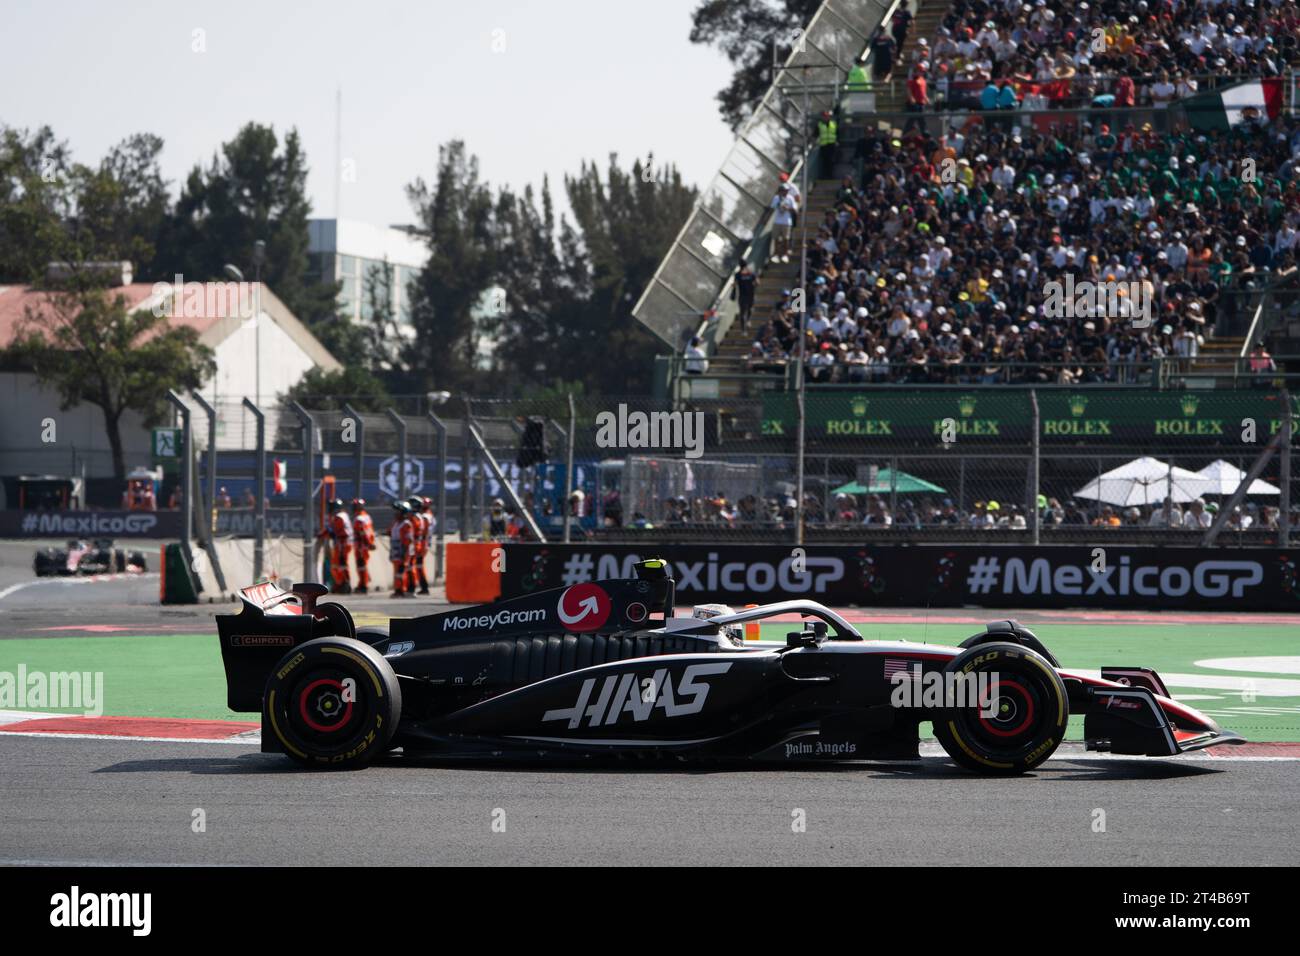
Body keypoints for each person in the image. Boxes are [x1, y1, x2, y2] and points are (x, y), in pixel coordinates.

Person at [320, 498, 353, 594]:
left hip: (342, 544)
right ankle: (341, 584)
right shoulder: (343, 515)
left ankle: (344, 584)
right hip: (343, 543)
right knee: (338, 565)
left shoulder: (339, 517)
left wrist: (322, 534)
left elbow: (334, 531)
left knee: (340, 565)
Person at [389, 500, 414, 598]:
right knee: (397, 572)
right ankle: (398, 590)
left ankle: (402, 590)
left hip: (403, 551)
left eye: (398, 511)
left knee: (401, 571)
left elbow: (407, 541)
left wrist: (404, 553)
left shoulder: (406, 524)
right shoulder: (396, 523)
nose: (395, 514)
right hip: (396, 551)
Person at [351, 498, 375, 594]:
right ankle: (362, 584)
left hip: (361, 545)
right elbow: (370, 531)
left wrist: (368, 543)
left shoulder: (359, 519)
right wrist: (370, 543)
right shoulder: (366, 516)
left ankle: (363, 586)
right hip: (365, 544)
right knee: (362, 565)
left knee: (361, 565)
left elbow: (363, 533)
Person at [407, 495, 430, 595]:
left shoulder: (417, 518)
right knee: (417, 566)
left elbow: (412, 531)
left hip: (416, 544)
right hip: (420, 543)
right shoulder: (421, 516)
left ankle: (411, 588)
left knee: (411, 566)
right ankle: (422, 587)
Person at [732, 261, 757, 331]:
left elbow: (757, 282)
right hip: (745, 295)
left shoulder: (745, 274)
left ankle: (745, 326)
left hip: (747, 295)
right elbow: (757, 282)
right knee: (745, 311)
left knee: (746, 311)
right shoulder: (743, 274)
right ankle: (745, 325)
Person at [817, 110, 838, 179]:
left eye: (827, 116)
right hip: (824, 145)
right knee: (825, 161)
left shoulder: (833, 124)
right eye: (824, 116)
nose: (825, 118)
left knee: (832, 161)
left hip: (832, 145)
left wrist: (837, 141)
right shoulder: (819, 124)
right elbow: (816, 133)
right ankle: (825, 175)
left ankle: (831, 175)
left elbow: (837, 133)